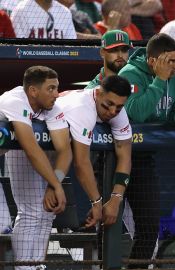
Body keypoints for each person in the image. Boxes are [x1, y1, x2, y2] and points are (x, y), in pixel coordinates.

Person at [118, 32, 175, 266]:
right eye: (170, 61)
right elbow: (136, 114)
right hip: (114, 156)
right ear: (153, 61)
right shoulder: (129, 74)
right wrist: (160, 81)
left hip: (143, 159)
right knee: (109, 224)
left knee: (149, 227)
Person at [0, 66, 71, 269]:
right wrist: (56, 185)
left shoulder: (51, 107)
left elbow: (65, 150)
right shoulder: (14, 100)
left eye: (57, 88)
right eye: (51, 88)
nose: (56, 94)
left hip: (10, 151)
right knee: (19, 215)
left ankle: (36, 265)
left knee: (46, 210)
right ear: (33, 91)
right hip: (19, 151)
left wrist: (53, 184)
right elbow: (31, 149)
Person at [53, 75, 133, 231]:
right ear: (97, 93)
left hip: (53, 149)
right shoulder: (82, 108)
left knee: (43, 213)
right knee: (33, 211)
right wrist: (97, 203)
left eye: (118, 107)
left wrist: (116, 199)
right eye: (108, 104)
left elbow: (125, 157)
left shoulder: (118, 112)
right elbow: (81, 163)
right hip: (24, 140)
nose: (112, 111)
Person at [11, 0, 77, 39]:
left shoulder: (65, 12)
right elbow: (18, 50)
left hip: (58, 60)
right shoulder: (21, 10)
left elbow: (72, 49)